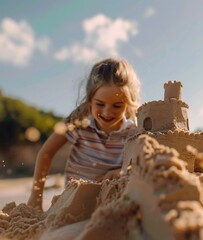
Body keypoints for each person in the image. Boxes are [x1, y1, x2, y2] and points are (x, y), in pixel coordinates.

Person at [27, 57, 141, 210]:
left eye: (117, 106)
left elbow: (142, 166)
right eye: (100, 104)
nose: (107, 112)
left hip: (110, 205)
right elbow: (46, 153)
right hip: (73, 205)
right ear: (89, 100)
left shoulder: (133, 132)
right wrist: (36, 197)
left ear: (128, 103)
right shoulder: (77, 122)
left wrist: (122, 171)